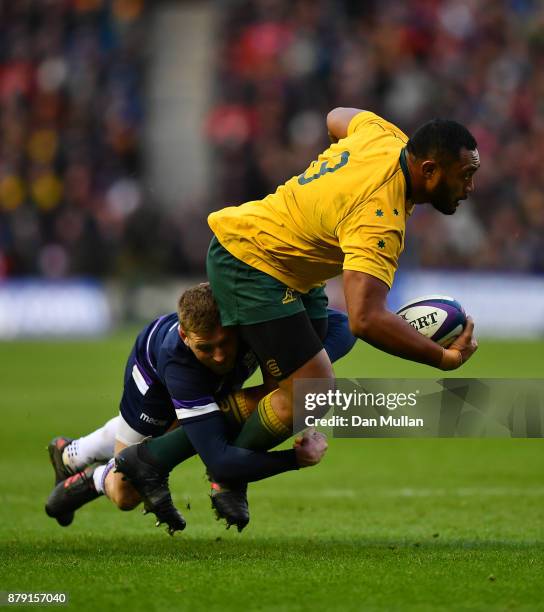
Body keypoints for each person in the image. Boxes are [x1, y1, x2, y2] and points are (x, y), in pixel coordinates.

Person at [111, 109, 480, 536]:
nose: (469, 187)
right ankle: (226, 475)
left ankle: (150, 459)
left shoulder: (382, 136)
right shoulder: (379, 216)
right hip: (252, 264)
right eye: (464, 175)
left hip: (290, 268)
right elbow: (365, 317)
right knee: (314, 388)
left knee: (303, 372)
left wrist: (329, 182)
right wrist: (443, 359)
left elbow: (337, 116)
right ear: (429, 169)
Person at [45, 284, 356, 533]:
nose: (220, 356)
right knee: (126, 493)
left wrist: (298, 371)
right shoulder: (179, 366)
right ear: (185, 337)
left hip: (196, 388)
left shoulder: (250, 328)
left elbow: (343, 326)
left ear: (236, 328)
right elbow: (219, 461)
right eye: (206, 348)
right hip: (155, 389)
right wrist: (296, 459)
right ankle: (83, 464)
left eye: (225, 343)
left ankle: (71, 453)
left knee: (236, 407)